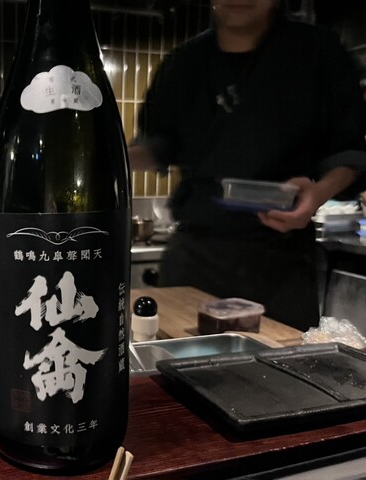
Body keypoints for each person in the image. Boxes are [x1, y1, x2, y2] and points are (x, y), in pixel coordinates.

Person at [129, 0, 366, 330]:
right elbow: (159, 144)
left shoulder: (319, 53)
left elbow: (351, 151)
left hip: (282, 262)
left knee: (282, 360)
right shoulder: (184, 62)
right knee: (173, 357)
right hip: (195, 256)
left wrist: (318, 193)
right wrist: (108, 157)